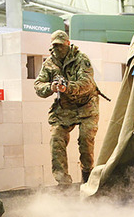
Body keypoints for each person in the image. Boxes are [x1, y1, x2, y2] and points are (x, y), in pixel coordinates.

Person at [34, 30, 99, 185]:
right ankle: (63, 184)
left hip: (86, 106)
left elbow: (87, 84)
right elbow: (38, 85)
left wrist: (67, 87)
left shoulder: (81, 59)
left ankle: (87, 178)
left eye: (61, 45)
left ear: (68, 44)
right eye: (55, 46)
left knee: (85, 142)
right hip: (64, 108)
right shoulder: (50, 63)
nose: (58, 49)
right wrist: (51, 87)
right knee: (56, 139)